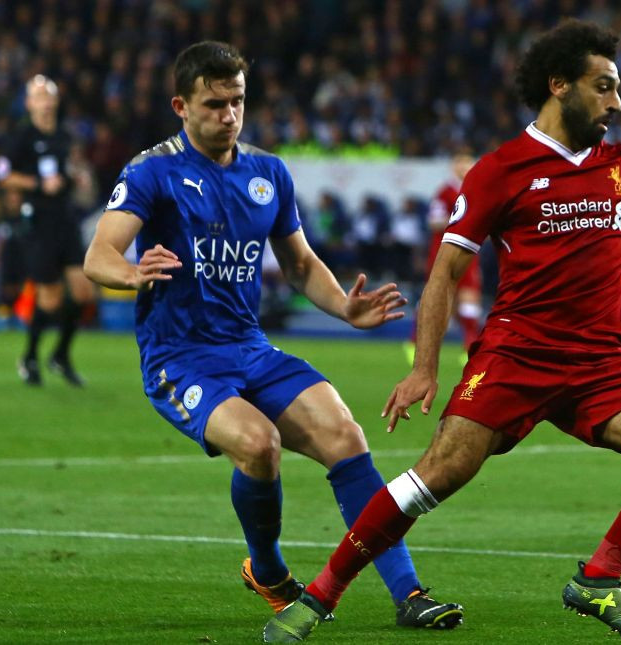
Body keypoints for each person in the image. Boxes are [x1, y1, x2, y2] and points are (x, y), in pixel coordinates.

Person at [264, 20, 621, 643]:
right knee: (436, 476)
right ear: (560, 86)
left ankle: (599, 577)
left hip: (597, 361)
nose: (617, 102)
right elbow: (446, 271)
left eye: (617, 88)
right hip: (516, 356)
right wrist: (425, 367)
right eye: (603, 87)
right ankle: (320, 595)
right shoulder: (501, 171)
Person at [82, 41, 462, 631]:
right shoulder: (152, 170)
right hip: (180, 358)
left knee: (345, 434)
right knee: (259, 445)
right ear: (181, 105)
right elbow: (98, 254)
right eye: (213, 104)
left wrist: (345, 308)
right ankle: (267, 568)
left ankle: (409, 594)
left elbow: (302, 264)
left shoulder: (268, 173)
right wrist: (130, 273)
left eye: (236, 101)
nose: (228, 115)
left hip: (249, 347)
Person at [0, 74, 95, 386]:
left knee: (83, 291)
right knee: (49, 298)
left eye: (49, 95)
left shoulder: (64, 135)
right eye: (38, 95)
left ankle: (60, 355)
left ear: (56, 100)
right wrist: (37, 184)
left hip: (65, 220)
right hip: (38, 222)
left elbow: (68, 168)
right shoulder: (22, 136)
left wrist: (76, 178)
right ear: (29, 103)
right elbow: (1, 174)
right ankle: (30, 357)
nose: (45, 101)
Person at [405, 151, 482, 365]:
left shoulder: (475, 189)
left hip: (469, 251)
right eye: (461, 162)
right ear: (453, 166)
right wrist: (462, 220)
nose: (464, 167)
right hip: (443, 253)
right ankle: (414, 342)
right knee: (438, 297)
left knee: (469, 298)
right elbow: (434, 222)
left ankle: (469, 348)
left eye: (468, 162)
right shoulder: (444, 192)